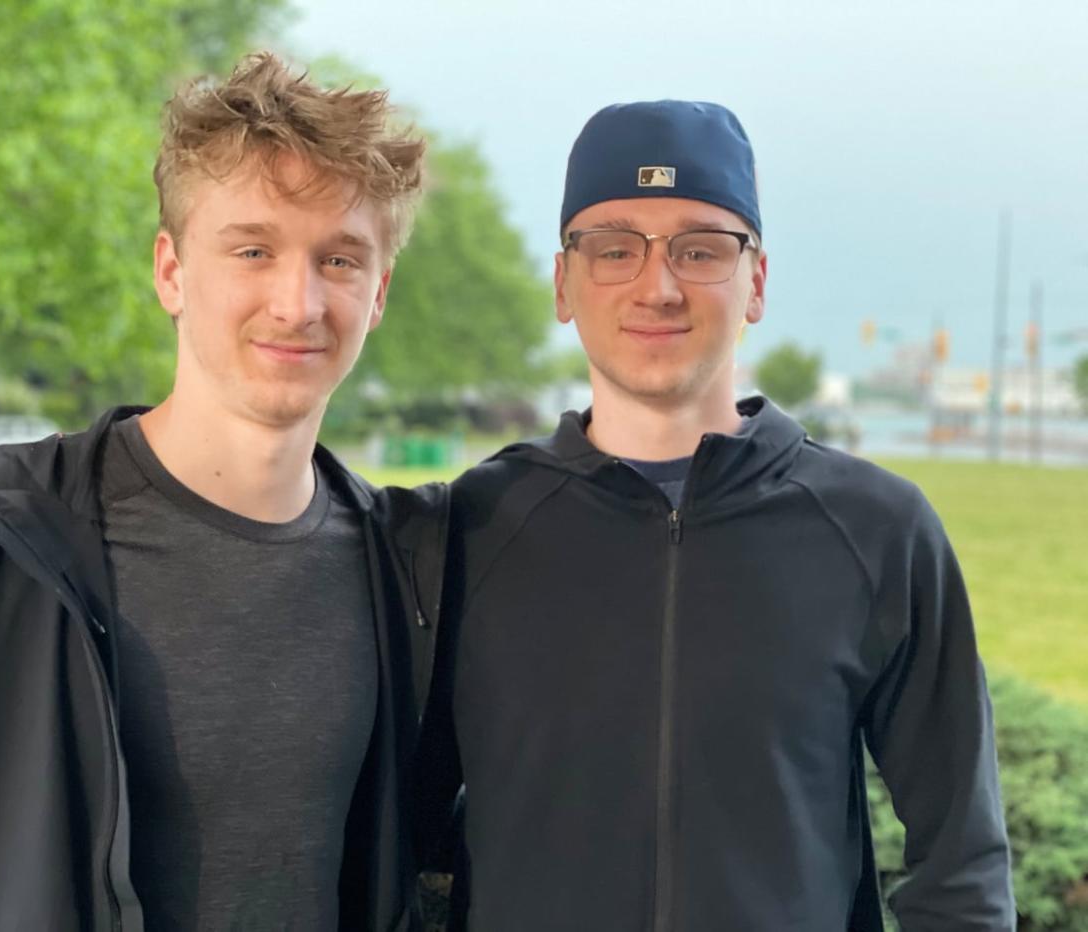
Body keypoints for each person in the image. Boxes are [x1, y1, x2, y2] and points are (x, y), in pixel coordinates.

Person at [0, 52, 446, 931]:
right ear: (170, 270)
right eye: (253, 249)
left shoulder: (405, 576)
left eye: (341, 260)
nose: (297, 301)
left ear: (379, 293)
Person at [416, 100, 1014, 930]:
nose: (657, 286)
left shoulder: (877, 531)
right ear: (564, 283)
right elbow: (399, 836)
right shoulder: (468, 531)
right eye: (614, 248)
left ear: (757, 281)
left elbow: (962, 863)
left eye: (700, 249)